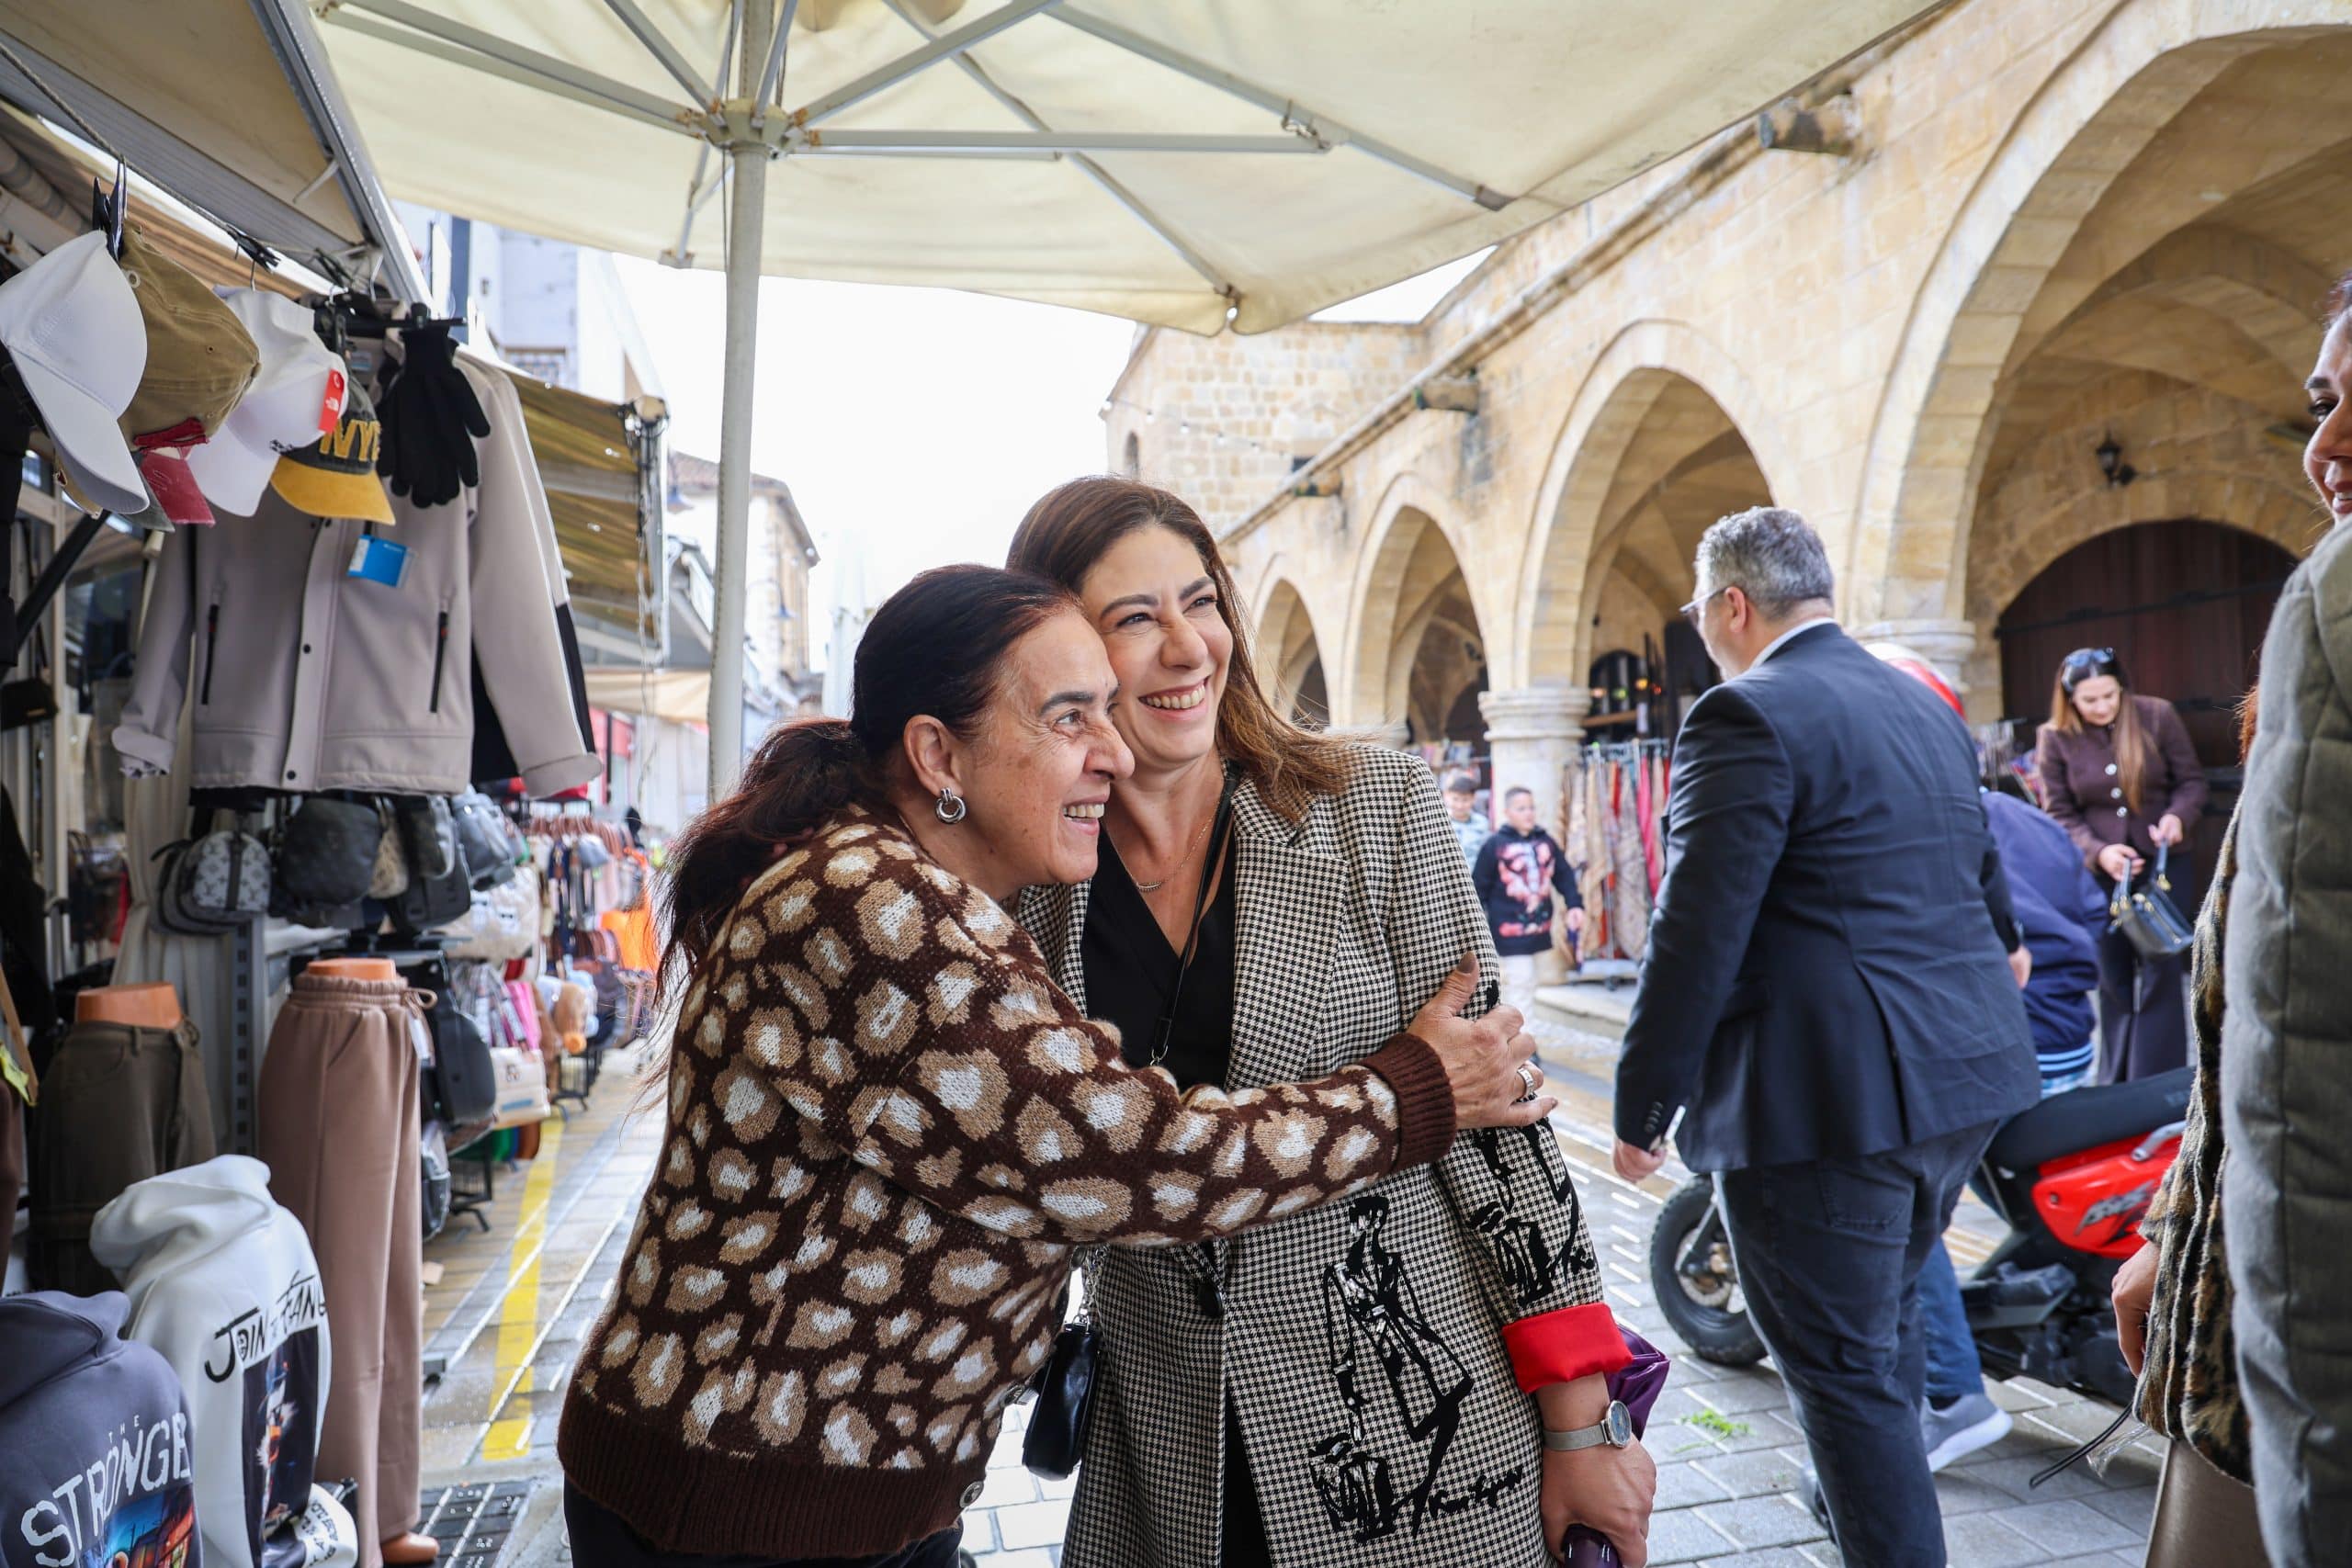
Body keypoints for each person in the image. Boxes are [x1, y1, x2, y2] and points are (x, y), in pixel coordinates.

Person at [555, 565, 1557, 1568]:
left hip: (822, 1496)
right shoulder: (862, 905)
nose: (1114, 755)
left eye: (1108, 714)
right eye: (1070, 718)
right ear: (939, 754)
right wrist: (1410, 1091)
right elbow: (1126, 1159)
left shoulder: (922, 891)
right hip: (736, 1508)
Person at [1011, 478, 1656, 1568]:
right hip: (1162, 1439)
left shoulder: (1372, 808)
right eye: (1133, 620)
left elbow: (1507, 1132)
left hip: (1414, 1424)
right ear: (1058, 652)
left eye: (1201, 602)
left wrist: (1581, 1422)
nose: (1186, 647)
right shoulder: (1031, 882)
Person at [1612, 507, 2037, 1568]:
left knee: (1845, 1384)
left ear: (1730, 605)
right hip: (1953, 1085)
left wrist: (1640, 1105)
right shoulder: (1920, 701)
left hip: (1823, 1104)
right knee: (1878, 1353)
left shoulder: (1742, 714)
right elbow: (1985, 889)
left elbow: (1695, 932)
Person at [2211, 276, 2352, 1568]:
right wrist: (2181, 1214)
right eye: (2321, 403)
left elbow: (2303, 1024)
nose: (2330, 448)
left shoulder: (2329, 604)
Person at [2035, 649, 2208, 1081]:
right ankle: (2115, 1081)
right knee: (2111, 978)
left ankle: (2157, 1080)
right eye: (2089, 700)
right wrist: (2099, 852)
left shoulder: (2156, 716)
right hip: (2099, 875)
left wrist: (2176, 818)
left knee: (2159, 972)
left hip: (2160, 869)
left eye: (2109, 696)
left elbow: (2191, 783)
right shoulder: (2054, 737)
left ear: (2121, 689)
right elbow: (2058, 813)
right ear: (2070, 698)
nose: (2101, 707)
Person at [1472, 786, 1587, 1020]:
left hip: (1539, 928)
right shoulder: (1494, 846)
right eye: (1521, 808)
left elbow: (1563, 875)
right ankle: (1523, 1043)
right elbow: (1478, 888)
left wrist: (1575, 905)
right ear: (1507, 812)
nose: (1528, 813)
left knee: (1527, 983)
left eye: (1531, 807)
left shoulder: (1546, 842)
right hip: (1508, 931)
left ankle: (1520, 1038)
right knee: (1521, 983)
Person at [1442, 772, 1491, 868]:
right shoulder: (1440, 822)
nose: (1460, 806)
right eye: (1455, 799)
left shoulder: (1482, 823)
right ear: (1447, 796)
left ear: (1473, 798)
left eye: (1465, 800)